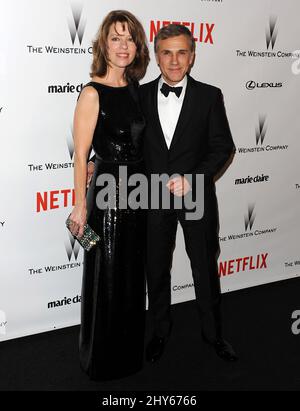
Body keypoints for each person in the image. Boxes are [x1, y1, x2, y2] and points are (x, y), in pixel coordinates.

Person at [139, 24, 238, 363]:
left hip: (195, 196)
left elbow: (222, 146)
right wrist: (96, 162)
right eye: (167, 52)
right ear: (156, 56)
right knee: (155, 268)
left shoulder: (210, 95)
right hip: (151, 196)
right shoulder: (138, 96)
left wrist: (193, 178)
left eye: (182, 52)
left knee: (204, 267)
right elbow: (127, 145)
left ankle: (214, 336)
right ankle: (160, 332)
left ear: (192, 56)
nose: (174, 60)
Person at [68, 10, 149, 381]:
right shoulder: (91, 92)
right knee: (107, 277)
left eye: (129, 38)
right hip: (107, 196)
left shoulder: (135, 87)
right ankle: (101, 359)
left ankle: (128, 354)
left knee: (132, 278)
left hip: (139, 193)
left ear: (137, 46)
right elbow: (80, 155)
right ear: (104, 44)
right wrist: (80, 205)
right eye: (116, 38)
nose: (123, 46)